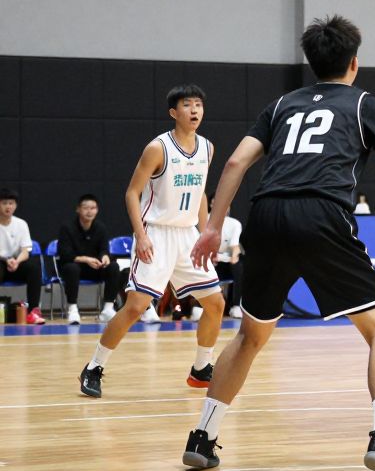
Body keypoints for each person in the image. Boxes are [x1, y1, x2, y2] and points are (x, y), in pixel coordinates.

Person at [181, 15, 375, 471]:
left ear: (311, 62)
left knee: (249, 336)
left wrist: (213, 226)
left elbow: (235, 162)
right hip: (321, 214)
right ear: (354, 62)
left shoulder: (280, 105)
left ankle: (202, 437)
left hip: (267, 215)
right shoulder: (364, 104)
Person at [79, 85, 225, 398]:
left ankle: (201, 368)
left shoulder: (208, 148)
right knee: (136, 307)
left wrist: (205, 234)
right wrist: (141, 235)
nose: (194, 110)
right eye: (187, 105)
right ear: (174, 112)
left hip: (188, 236)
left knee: (216, 304)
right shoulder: (157, 148)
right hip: (156, 233)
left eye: (198, 104)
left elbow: (200, 193)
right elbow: (132, 193)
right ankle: (93, 367)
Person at [58, 194, 123, 324]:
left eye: (93, 208)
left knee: (113, 267)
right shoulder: (67, 228)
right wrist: (86, 259)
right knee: (71, 268)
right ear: (78, 209)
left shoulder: (100, 228)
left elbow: (104, 249)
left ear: (97, 210)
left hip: (95, 268)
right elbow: (65, 254)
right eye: (86, 208)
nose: (89, 211)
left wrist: (105, 257)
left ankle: (108, 309)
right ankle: (73, 309)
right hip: (75, 267)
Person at [0, 188, 45, 324]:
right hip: (1, 263)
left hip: (16, 264)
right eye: (4, 203)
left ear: (15, 205)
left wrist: (17, 261)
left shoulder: (21, 224)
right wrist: (6, 260)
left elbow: (26, 251)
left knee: (34, 267)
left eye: (11, 203)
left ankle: (33, 312)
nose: (8, 207)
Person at [213, 200, 244, 320]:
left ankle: (236, 306)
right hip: (210, 261)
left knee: (238, 266)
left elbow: (234, 246)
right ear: (211, 205)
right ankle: (199, 307)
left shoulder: (234, 223)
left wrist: (234, 257)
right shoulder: (206, 219)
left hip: (226, 261)